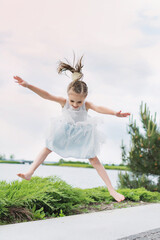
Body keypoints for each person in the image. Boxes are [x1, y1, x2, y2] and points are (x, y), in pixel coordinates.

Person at [13, 54, 130, 202]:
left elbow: (99, 108)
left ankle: (111, 190)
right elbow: (47, 95)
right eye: (72, 100)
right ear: (68, 97)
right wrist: (28, 85)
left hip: (81, 134)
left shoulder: (86, 105)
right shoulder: (64, 102)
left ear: (84, 99)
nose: (75, 104)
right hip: (64, 130)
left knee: (94, 159)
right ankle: (29, 172)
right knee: (47, 148)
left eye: (79, 102)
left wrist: (115, 113)